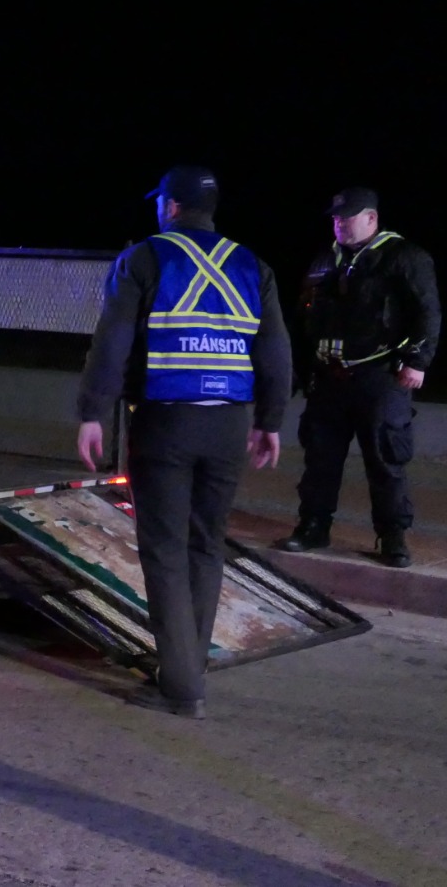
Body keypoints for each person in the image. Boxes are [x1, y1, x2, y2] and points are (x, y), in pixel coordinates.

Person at [76, 166, 291, 718]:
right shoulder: (252, 265)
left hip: (166, 422)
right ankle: (186, 665)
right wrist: (270, 421)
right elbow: (274, 352)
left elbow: (113, 340)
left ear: (171, 207)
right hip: (230, 424)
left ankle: (181, 684)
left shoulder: (145, 258)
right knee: (206, 545)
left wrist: (93, 413)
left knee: (165, 551)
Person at [277, 187, 440, 568]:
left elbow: (428, 313)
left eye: (347, 218)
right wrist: (298, 369)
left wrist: (418, 361)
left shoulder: (404, 258)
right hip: (329, 377)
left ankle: (392, 536)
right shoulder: (325, 259)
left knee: (385, 458)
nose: (339, 224)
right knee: (320, 457)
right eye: (335, 218)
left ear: (371, 218)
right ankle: (313, 527)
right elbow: (304, 318)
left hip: (380, 377)